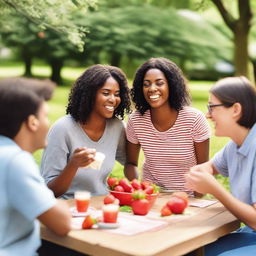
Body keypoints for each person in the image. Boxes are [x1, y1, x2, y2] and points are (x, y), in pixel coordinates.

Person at [0, 78, 71, 256]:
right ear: (32, 122)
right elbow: (62, 224)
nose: (48, 123)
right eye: (45, 116)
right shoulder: (15, 161)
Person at [185, 76, 256, 255]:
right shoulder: (234, 145)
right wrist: (200, 172)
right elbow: (211, 167)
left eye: (212, 107)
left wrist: (215, 189)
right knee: (193, 250)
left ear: (235, 109)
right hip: (251, 232)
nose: (208, 114)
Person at [40, 64, 131, 199]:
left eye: (117, 94)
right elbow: (49, 191)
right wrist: (74, 164)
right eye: (106, 93)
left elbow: (131, 163)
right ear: (89, 95)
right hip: (68, 208)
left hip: (101, 205)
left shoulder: (117, 127)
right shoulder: (63, 129)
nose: (113, 99)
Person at [124, 57, 210, 195]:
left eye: (159, 83)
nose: (152, 89)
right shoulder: (136, 120)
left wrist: (195, 200)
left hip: (186, 197)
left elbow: (203, 169)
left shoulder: (194, 119)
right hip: (151, 194)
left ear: (171, 85)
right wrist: (138, 189)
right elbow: (131, 164)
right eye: (146, 84)